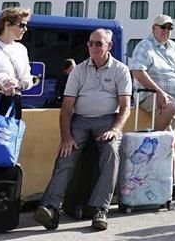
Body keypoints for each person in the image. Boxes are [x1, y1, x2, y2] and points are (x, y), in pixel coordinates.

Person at [34, 28, 132, 231]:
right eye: (91, 43)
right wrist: (66, 136)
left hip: (107, 120)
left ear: (109, 46)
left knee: (112, 151)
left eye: (99, 44)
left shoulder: (120, 70)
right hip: (80, 120)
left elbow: (125, 107)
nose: (94, 47)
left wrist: (115, 129)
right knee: (66, 154)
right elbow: (67, 107)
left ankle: (100, 209)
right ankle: (51, 208)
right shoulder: (78, 70)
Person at [129, 14, 175, 201]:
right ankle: (151, 143)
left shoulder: (174, 47)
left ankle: (170, 183)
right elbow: (137, 70)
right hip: (151, 96)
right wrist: (158, 91)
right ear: (153, 28)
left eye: (169, 28)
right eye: (162, 28)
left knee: (170, 142)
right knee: (167, 129)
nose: (166, 31)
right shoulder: (145, 46)